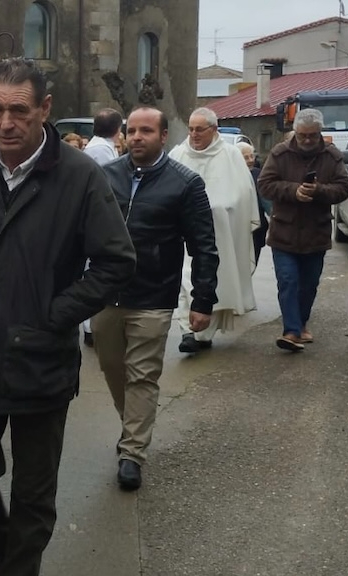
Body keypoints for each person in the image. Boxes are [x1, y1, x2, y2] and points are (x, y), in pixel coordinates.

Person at [0, 58, 136, 576]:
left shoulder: (80, 177)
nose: (5, 123)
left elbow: (116, 261)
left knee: (33, 495)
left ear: (45, 109)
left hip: (39, 359)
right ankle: (5, 554)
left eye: (18, 110)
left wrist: (55, 314)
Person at [95, 106, 219, 491]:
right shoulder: (105, 176)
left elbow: (204, 246)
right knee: (112, 368)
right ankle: (133, 423)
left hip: (153, 296)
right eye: (131, 130)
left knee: (142, 375)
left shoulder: (185, 184)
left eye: (146, 131)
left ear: (163, 136)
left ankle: (132, 452)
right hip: (105, 294)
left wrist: (202, 300)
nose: (136, 137)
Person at [258, 108, 348, 351]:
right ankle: (291, 331)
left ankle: (300, 323)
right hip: (284, 232)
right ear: (295, 132)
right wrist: (294, 191)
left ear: (320, 132)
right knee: (288, 281)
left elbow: (343, 188)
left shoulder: (332, 156)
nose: (307, 140)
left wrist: (318, 191)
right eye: (302, 135)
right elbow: (265, 185)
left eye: (312, 135)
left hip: (315, 234)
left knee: (308, 285)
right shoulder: (280, 154)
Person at [169, 107, 259, 354]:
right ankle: (188, 331)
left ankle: (203, 334)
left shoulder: (231, 155)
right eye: (191, 129)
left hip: (222, 233)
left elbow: (243, 194)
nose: (194, 134)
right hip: (184, 232)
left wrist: (222, 207)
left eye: (200, 129)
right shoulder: (178, 154)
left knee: (217, 282)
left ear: (214, 129)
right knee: (185, 279)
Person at [80, 108, 124, 347]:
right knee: (94, 271)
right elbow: (111, 186)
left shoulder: (100, 147)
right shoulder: (101, 151)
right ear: (118, 129)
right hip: (95, 219)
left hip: (93, 216)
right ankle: (90, 329)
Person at [237, 141, 271, 264]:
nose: (251, 160)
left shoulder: (259, 174)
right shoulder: (230, 175)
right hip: (237, 228)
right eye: (246, 157)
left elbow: (267, 201)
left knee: (251, 263)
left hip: (257, 229)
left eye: (252, 156)